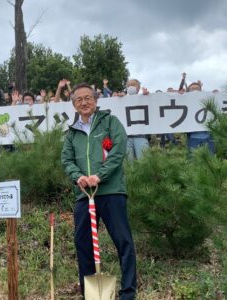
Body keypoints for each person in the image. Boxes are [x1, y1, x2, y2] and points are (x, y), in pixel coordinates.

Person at [61, 83, 136, 299]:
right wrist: (78, 177)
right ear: (74, 104)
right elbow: (66, 160)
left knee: (123, 241)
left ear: (96, 100)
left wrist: (99, 175)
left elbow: (118, 150)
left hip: (111, 192)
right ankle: (91, 294)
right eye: (79, 100)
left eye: (88, 98)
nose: (84, 102)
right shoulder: (72, 133)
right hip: (84, 196)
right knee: (83, 245)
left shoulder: (110, 123)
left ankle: (128, 292)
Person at [117, 78, 150, 160]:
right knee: (129, 165)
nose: (130, 87)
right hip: (126, 137)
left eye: (133, 85)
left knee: (144, 162)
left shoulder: (144, 98)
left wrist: (148, 96)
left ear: (138, 88)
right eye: (128, 85)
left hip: (141, 136)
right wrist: (118, 99)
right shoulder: (123, 99)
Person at [186, 81, 215, 153]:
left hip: (209, 137)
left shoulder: (207, 100)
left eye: (197, 88)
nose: (195, 90)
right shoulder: (186, 102)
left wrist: (217, 95)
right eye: (192, 89)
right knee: (193, 161)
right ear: (188, 91)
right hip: (193, 138)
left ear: (201, 90)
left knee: (210, 161)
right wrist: (179, 95)